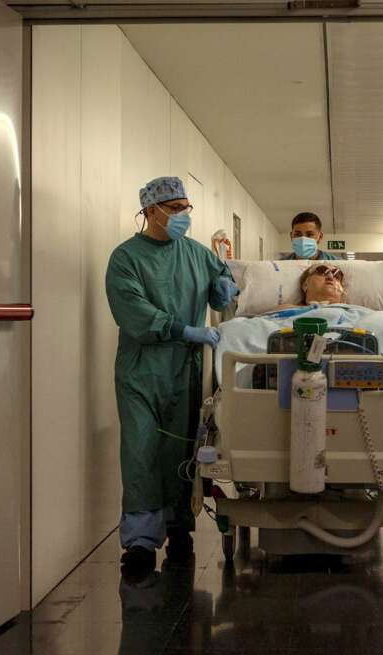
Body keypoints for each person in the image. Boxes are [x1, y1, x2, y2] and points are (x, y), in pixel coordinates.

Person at [106, 176, 239, 576]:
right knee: (141, 451)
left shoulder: (198, 254)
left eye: (186, 208)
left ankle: (180, 527)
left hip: (187, 370)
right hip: (142, 371)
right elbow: (132, 310)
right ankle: (141, 542)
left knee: (183, 453)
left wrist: (225, 286)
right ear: (149, 211)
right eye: (174, 208)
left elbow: (222, 292)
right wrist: (181, 329)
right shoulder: (126, 258)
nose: (183, 216)